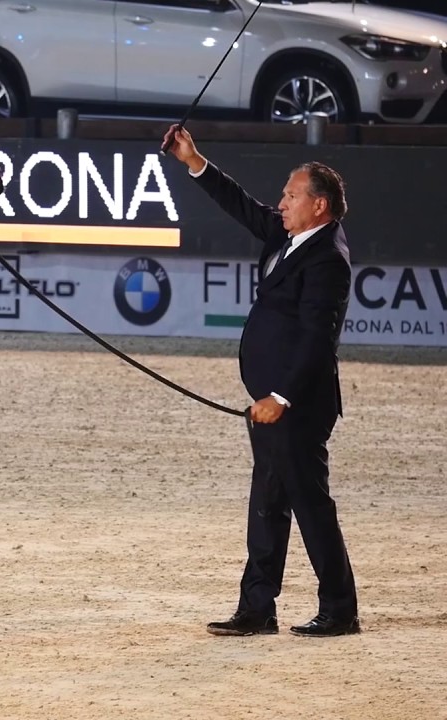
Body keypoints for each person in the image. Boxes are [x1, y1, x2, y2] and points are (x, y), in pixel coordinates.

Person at [162, 124, 360, 638]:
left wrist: (282, 396)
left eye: (292, 195)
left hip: (295, 404)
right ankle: (257, 608)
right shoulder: (292, 236)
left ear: (319, 206)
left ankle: (340, 610)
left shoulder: (328, 260)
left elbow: (320, 340)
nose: (282, 202)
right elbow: (243, 205)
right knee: (268, 504)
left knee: (310, 506)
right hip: (269, 401)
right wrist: (194, 161)